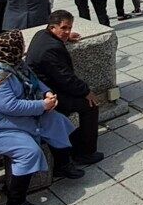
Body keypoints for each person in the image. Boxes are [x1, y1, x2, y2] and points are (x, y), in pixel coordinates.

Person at [0, 31, 83, 205]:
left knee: (57, 121)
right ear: (14, 49)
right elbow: (9, 106)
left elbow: (35, 81)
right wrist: (42, 105)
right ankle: (15, 203)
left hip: (20, 117)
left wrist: (47, 93)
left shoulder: (14, 64)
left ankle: (62, 165)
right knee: (28, 151)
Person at [26, 11, 105, 167]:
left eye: (69, 28)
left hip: (47, 87)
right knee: (90, 105)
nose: (67, 31)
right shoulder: (50, 50)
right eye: (64, 28)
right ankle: (85, 153)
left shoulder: (42, 34)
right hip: (47, 95)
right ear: (53, 27)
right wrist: (86, 91)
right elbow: (66, 79)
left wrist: (66, 37)